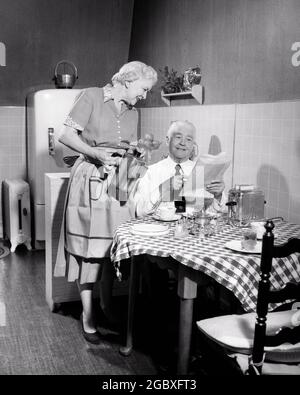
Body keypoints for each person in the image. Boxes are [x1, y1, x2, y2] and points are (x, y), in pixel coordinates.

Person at [54, 61, 157, 344]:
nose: (145, 96)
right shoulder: (91, 96)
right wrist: (96, 154)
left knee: (111, 249)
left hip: (120, 181)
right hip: (90, 178)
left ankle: (107, 306)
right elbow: (65, 136)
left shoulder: (134, 112)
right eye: (144, 89)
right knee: (88, 251)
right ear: (127, 80)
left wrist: (139, 151)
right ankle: (88, 315)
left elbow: (127, 147)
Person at [134, 120, 226, 217]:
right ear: (167, 140)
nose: (183, 143)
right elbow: (139, 211)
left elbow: (218, 212)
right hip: (160, 230)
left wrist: (218, 196)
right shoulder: (151, 172)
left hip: (192, 230)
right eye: (178, 137)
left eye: (188, 139)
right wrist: (163, 188)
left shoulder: (202, 171)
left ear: (193, 145)